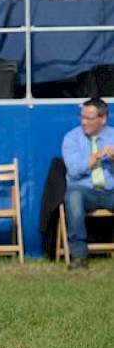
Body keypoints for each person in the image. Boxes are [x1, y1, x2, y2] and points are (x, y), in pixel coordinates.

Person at [60, 98, 114, 270]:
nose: (84, 121)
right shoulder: (71, 138)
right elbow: (74, 171)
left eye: (89, 118)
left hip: (111, 191)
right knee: (73, 195)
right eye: (82, 116)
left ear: (103, 118)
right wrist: (97, 156)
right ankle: (79, 257)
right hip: (85, 191)